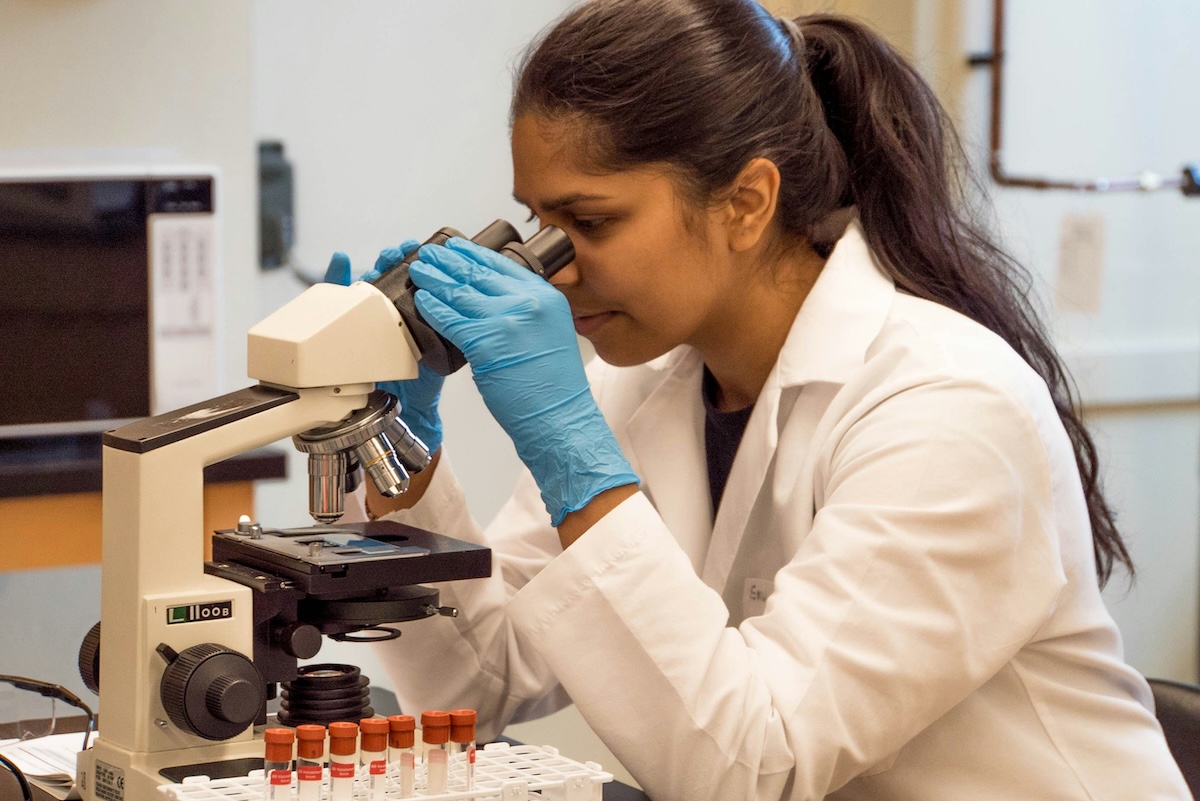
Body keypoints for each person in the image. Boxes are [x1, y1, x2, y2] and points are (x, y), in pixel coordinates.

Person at [325, 1, 1192, 798]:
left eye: (591, 222)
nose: (554, 266)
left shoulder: (947, 406)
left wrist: (573, 459)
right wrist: (399, 453)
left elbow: (753, 765)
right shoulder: (640, 388)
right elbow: (483, 683)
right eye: (538, 223)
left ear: (746, 202)